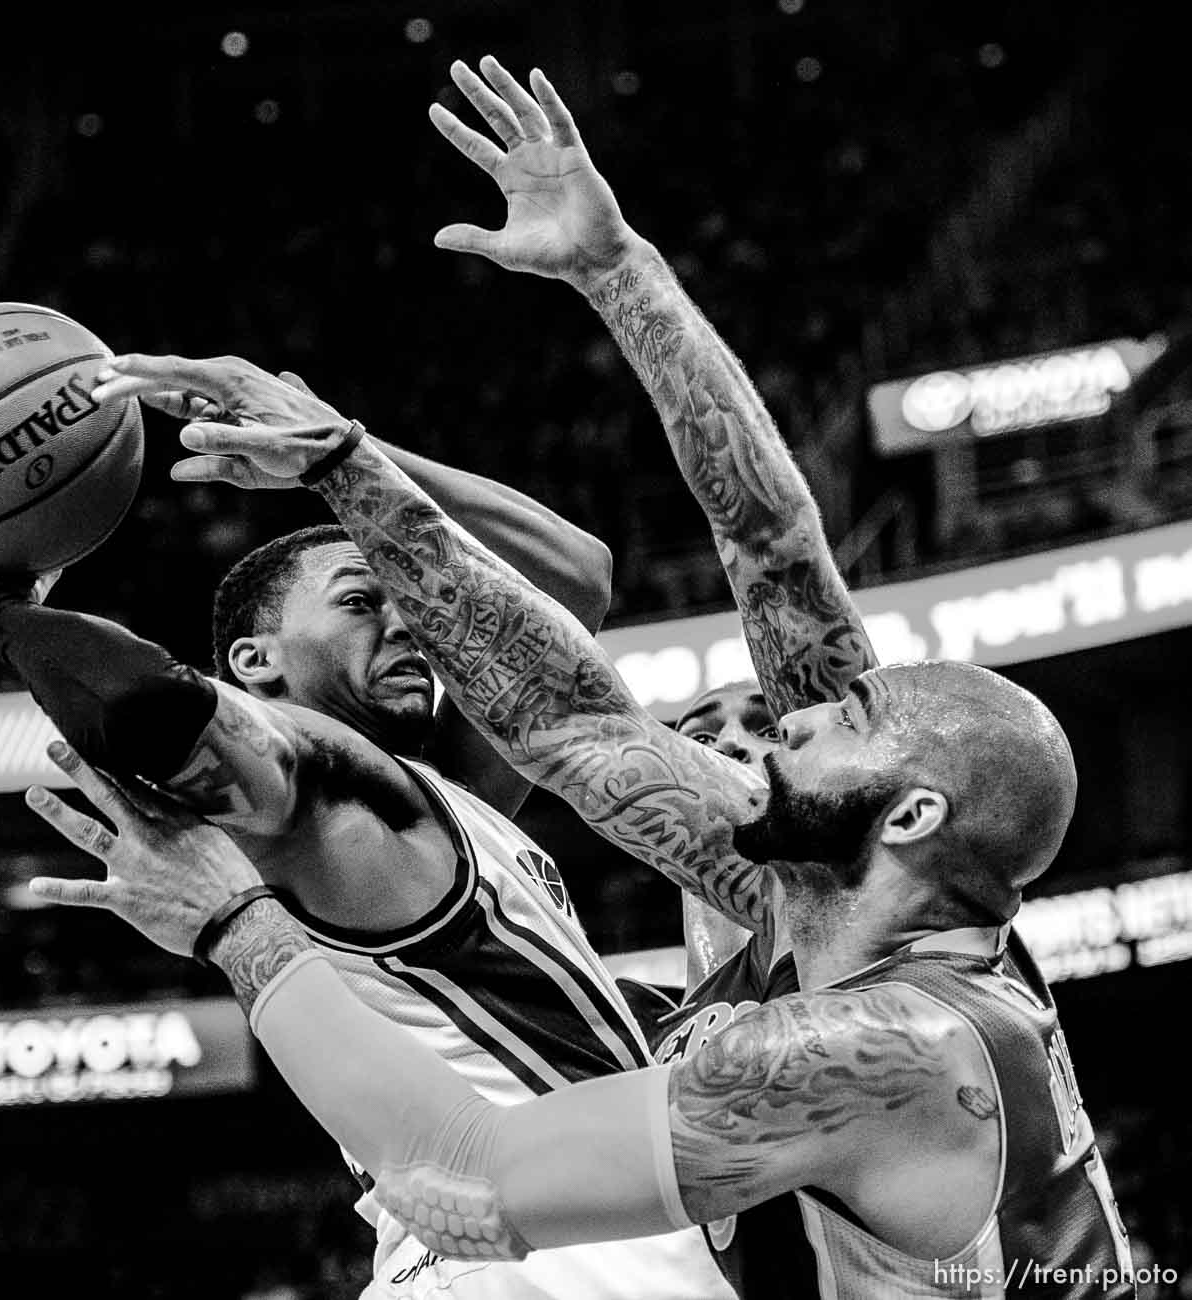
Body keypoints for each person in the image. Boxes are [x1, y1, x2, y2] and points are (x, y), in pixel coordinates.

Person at [62, 58, 1137, 1297]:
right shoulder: (849, 905)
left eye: (847, 714)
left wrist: (233, 925)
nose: (783, 723)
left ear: (908, 812)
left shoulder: (876, 1044)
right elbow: (731, 583)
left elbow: (469, 1178)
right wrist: (610, 269)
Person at [0, 414, 735, 1299]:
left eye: (407, 604)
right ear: (254, 662)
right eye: (362, 602)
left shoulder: (438, 786)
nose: (406, 626)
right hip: (543, 1250)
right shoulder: (315, 776)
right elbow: (143, 706)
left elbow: (571, 580)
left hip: (524, 1229)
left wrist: (341, 455)